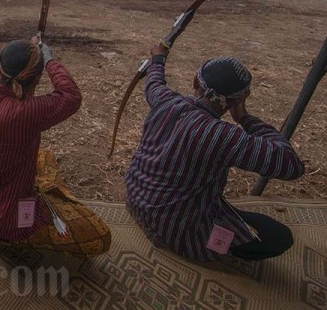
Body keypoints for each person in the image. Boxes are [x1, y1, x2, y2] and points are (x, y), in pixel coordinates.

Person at [125, 43, 305, 262]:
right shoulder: (225, 137)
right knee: (278, 237)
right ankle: (211, 249)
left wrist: (158, 59)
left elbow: (154, 82)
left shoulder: (165, 100)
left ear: (194, 82)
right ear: (238, 100)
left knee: (227, 210)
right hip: (179, 233)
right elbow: (292, 166)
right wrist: (245, 118)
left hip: (136, 201)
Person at [0, 37, 111, 257]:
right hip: (7, 219)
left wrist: (31, 50)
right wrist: (49, 59)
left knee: (45, 157)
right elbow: (71, 96)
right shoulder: (25, 113)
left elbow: (13, 69)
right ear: (34, 78)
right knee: (99, 236)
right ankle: (14, 241)